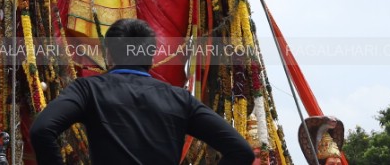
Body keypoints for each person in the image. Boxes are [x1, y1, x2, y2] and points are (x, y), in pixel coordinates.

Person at [30, 18, 256, 165]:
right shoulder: (180, 99)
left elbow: (42, 130)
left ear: (108, 54)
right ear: (151, 56)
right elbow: (241, 151)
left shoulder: (88, 89)